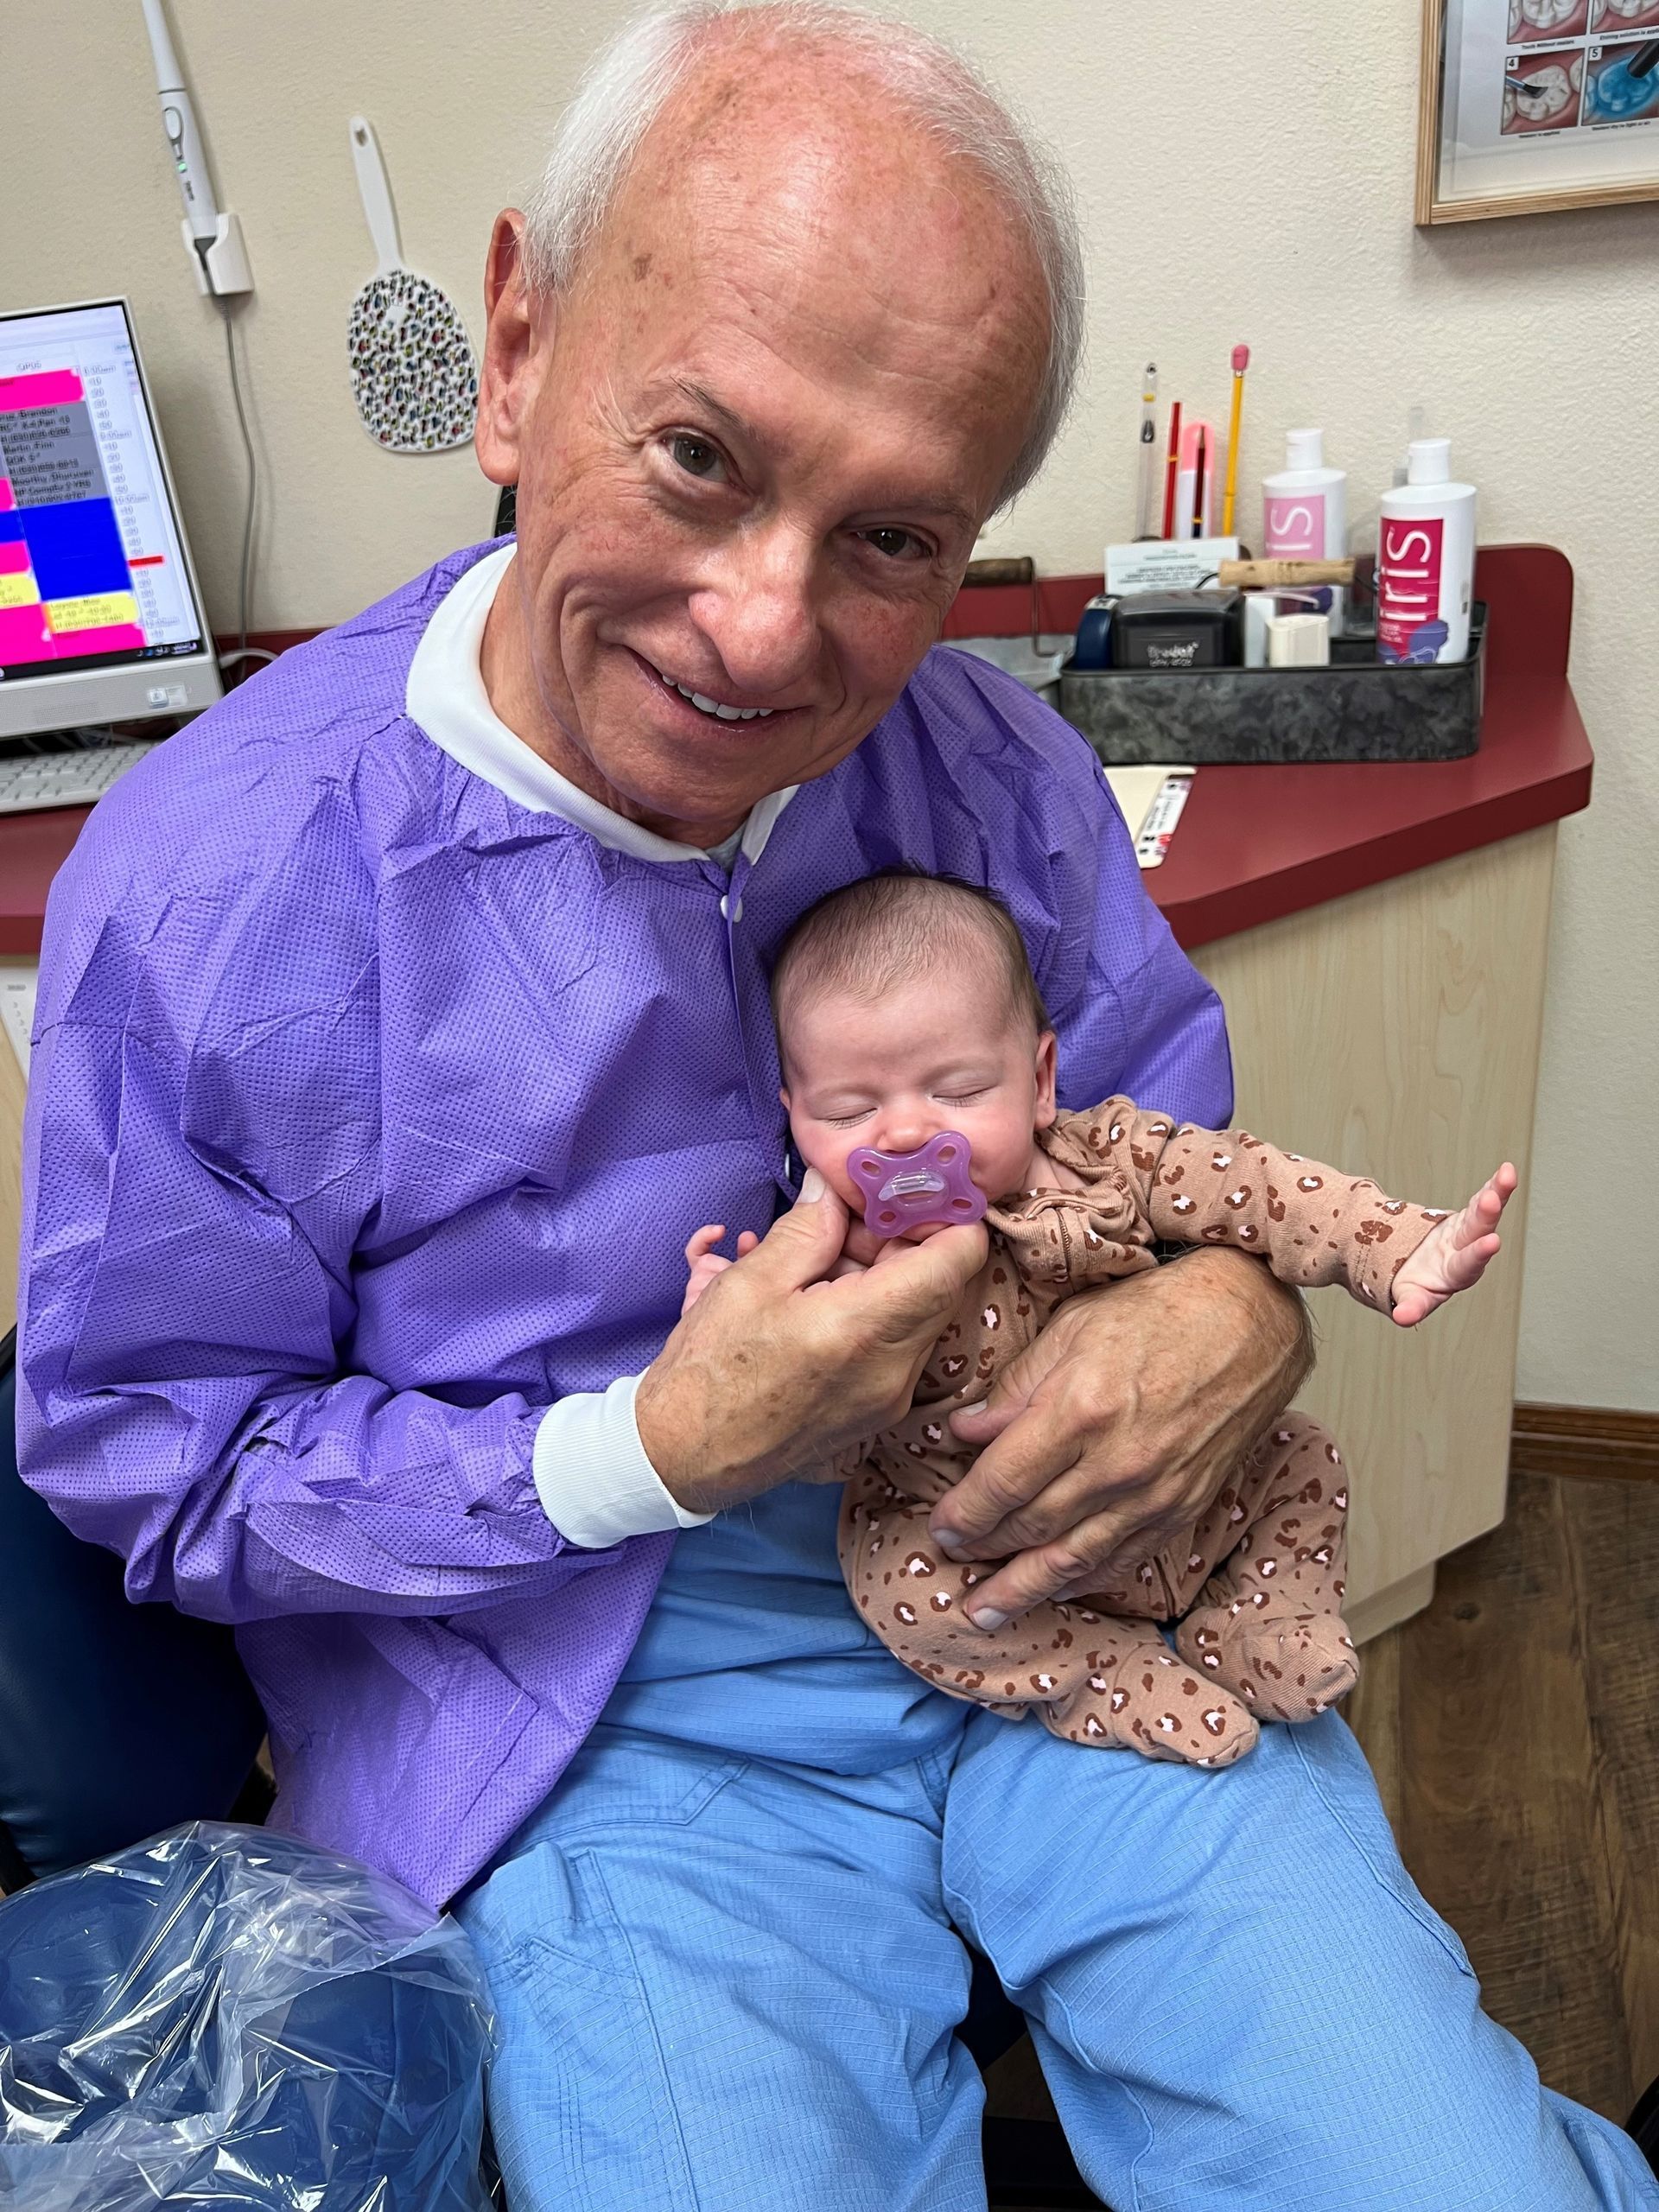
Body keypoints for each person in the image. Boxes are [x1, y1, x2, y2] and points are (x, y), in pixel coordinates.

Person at [16, 5, 1656, 2207]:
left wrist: (1233, 1319)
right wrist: (646, 1450)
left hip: (1077, 1599)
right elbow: (161, 1469)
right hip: (596, 1717)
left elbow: (1164, 1149)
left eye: (895, 538)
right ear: (514, 346)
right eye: (698, 453)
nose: (765, 627)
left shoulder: (991, 769)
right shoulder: (213, 896)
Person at [682, 869, 1515, 1767]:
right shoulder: (819, 1276)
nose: (906, 1136)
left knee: (1305, 1458)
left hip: (1194, 1499)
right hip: (983, 1552)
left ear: (1039, 1080)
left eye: (957, 1091)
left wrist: (1389, 1244)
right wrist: (744, 1357)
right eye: (851, 1109)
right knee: (896, 1583)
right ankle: (1102, 1674)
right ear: (796, 1120)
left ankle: (1263, 1618)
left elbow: (1258, 1185)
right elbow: (823, 1457)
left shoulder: (1109, 1157)